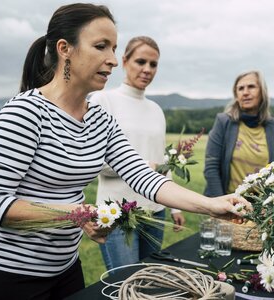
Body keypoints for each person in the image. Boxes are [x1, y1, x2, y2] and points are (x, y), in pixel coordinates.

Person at [0, 4, 250, 299]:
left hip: (66, 270)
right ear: (65, 49)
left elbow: (144, 177)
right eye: (101, 46)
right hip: (7, 276)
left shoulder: (100, 119)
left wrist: (211, 204)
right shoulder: (24, 112)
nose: (113, 60)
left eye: (114, 48)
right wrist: (77, 214)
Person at [89, 36, 185, 271]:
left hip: (155, 211)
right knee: (124, 285)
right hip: (117, 214)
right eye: (140, 61)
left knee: (149, 281)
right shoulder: (103, 100)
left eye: (153, 64)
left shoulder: (156, 110)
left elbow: (162, 161)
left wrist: (174, 206)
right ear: (124, 60)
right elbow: (93, 161)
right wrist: (142, 166)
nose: (147, 69)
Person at [204, 70, 274, 197]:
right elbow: (211, 167)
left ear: (262, 92)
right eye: (240, 88)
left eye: (251, 87)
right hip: (228, 201)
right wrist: (220, 205)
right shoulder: (223, 122)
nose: (245, 92)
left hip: (262, 207)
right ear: (236, 95)